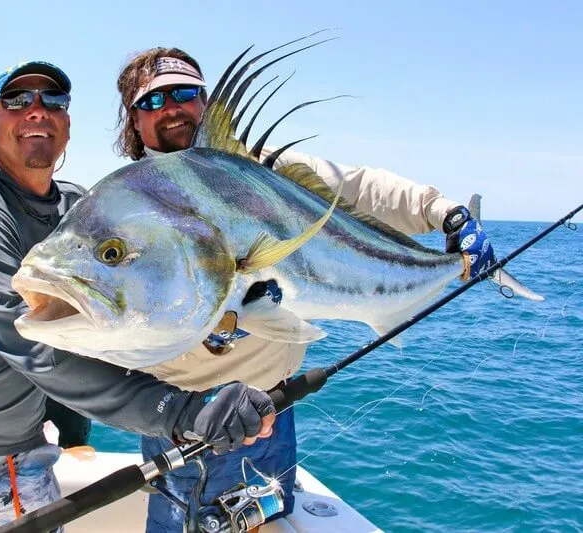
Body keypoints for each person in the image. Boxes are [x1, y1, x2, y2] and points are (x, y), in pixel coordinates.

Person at [0, 60, 277, 533]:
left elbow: (144, 300)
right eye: (18, 100)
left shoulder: (76, 208)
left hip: (26, 455)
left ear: (66, 125)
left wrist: (224, 325)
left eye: (53, 102)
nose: (37, 111)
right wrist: (184, 411)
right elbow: (38, 352)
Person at [114, 48, 496, 532]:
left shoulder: (265, 171)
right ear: (134, 120)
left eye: (185, 93)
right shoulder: (128, 206)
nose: (171, 107)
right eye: (153, 100)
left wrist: (445, 213)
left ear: (206, 104)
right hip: (190, 419)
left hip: (275, 408)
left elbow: (359, 187)